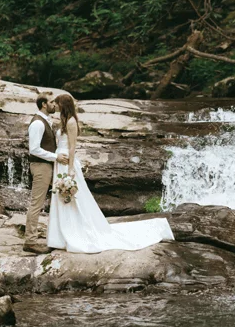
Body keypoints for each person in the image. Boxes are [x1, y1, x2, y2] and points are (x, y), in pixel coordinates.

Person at [47, 93, 174, 253]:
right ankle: (59, 235)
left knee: (73, 198)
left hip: (67, 163)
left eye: (57, 103)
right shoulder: (63, 120)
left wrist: (71, 168)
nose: (55, 106)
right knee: (62, 197)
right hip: (60, 161)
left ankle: (74, 230)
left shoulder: (71, 121)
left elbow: (72, 146)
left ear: (63, 105)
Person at [26, 94, 68, 236]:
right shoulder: (38, 123)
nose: (54, 105)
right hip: (40, 167)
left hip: (48, 166)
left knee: (62, 196)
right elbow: (34, 149)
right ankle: (30, 240)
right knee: (36, 204)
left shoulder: (45, 121)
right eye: (51, 102)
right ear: (44, 104)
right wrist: (56, 157)